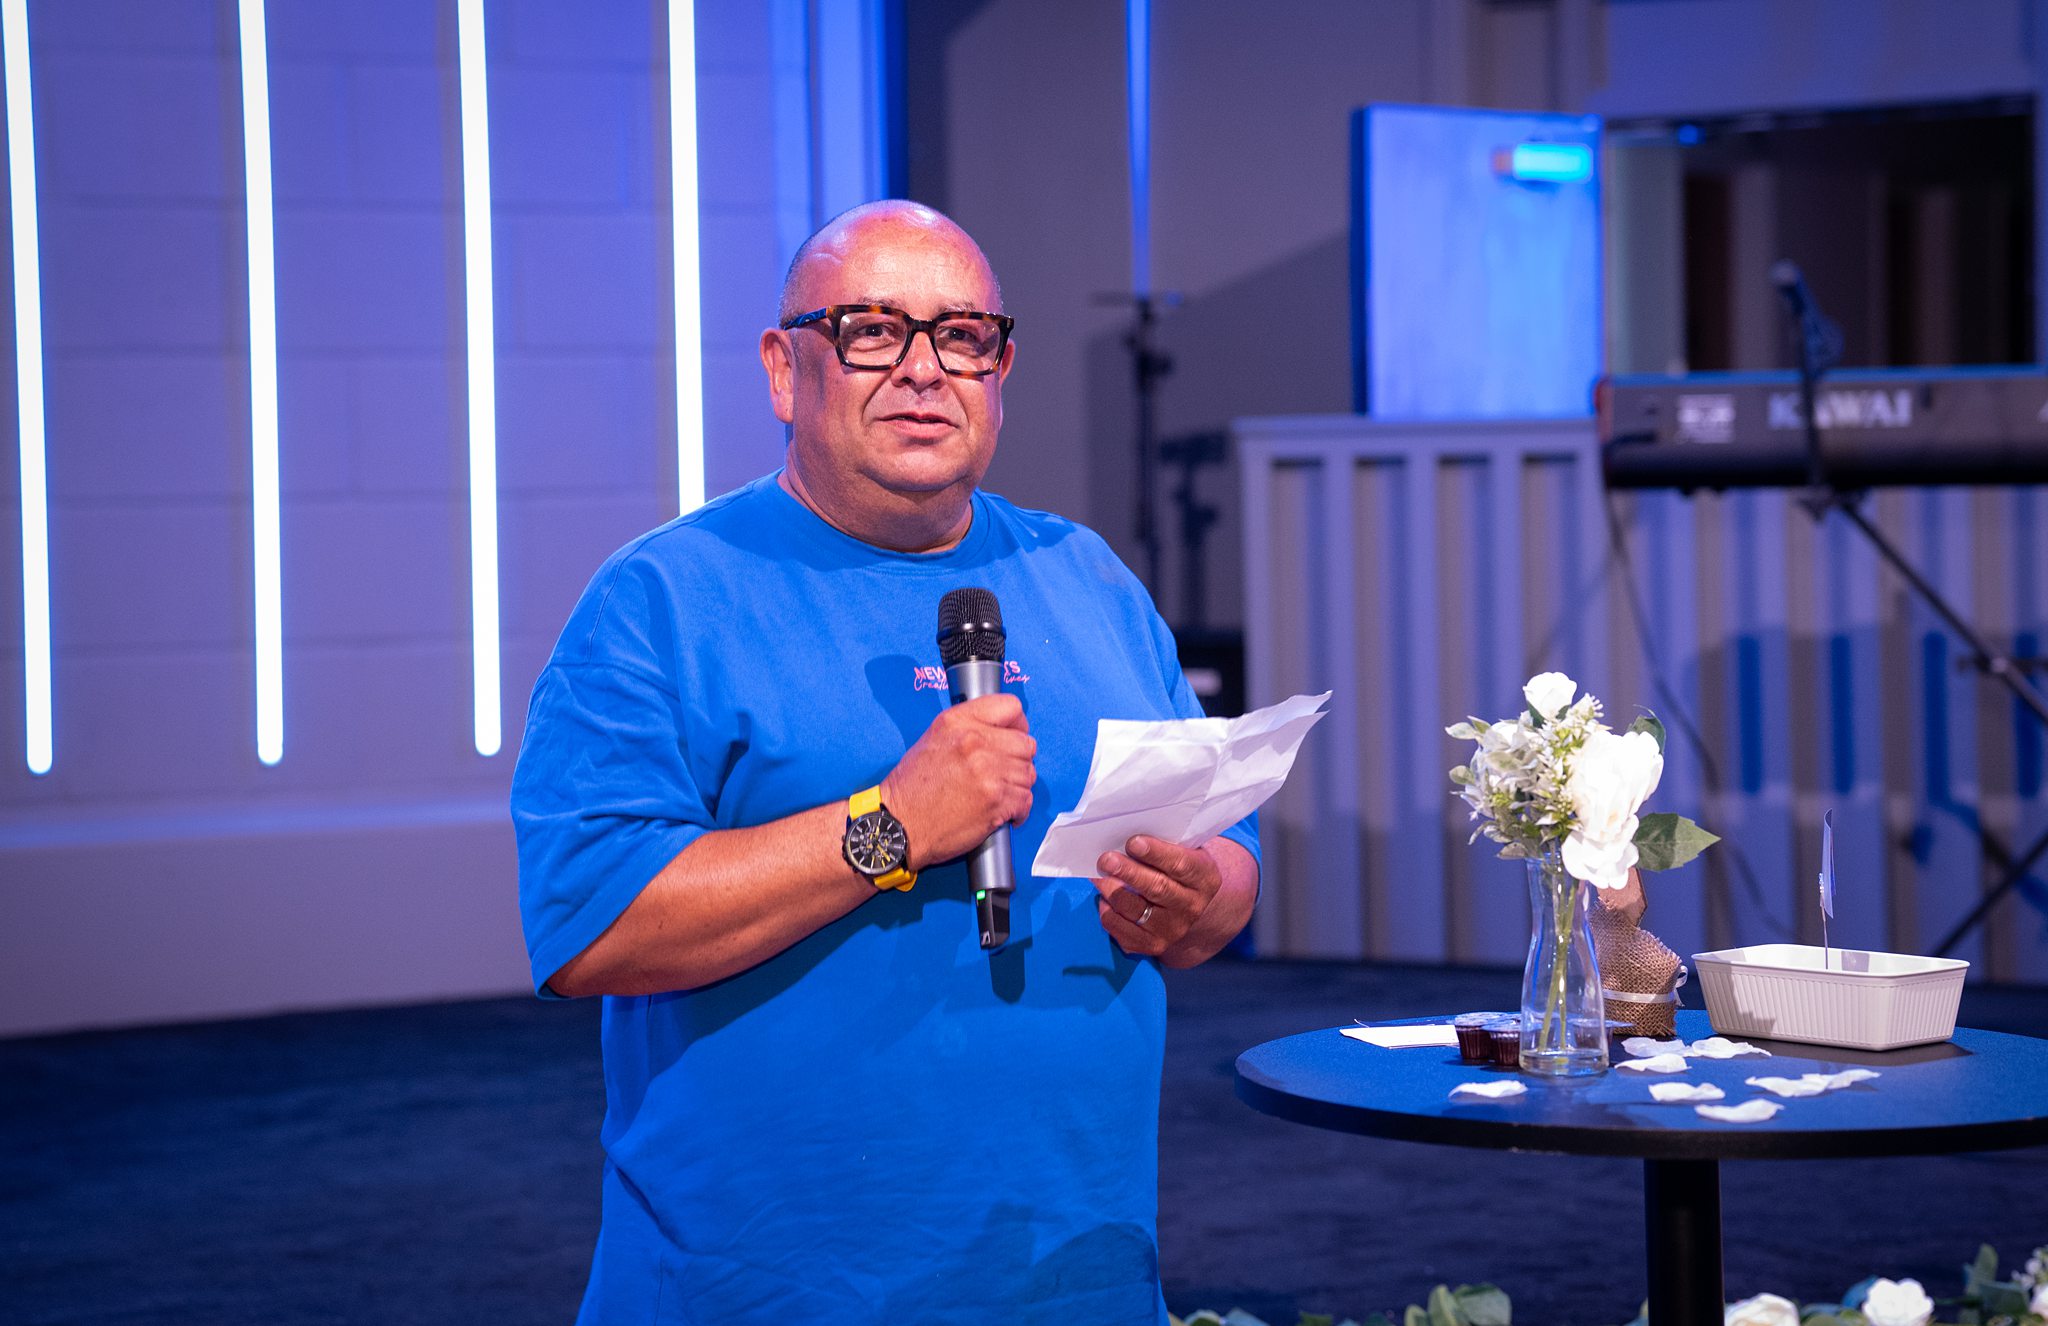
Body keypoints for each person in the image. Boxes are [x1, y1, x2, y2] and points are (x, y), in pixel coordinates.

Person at [511, 200, 1259, 1325]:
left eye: (961, 337)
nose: (923, 370)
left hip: (1075, 1276)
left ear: (999, 370)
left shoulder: (1086, 575)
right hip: (768, 1288)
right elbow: (592, 929)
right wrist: (891, 827)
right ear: (783, 368)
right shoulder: (663, 597)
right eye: (871, 330)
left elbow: (1223, 871)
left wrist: (1195, 898)